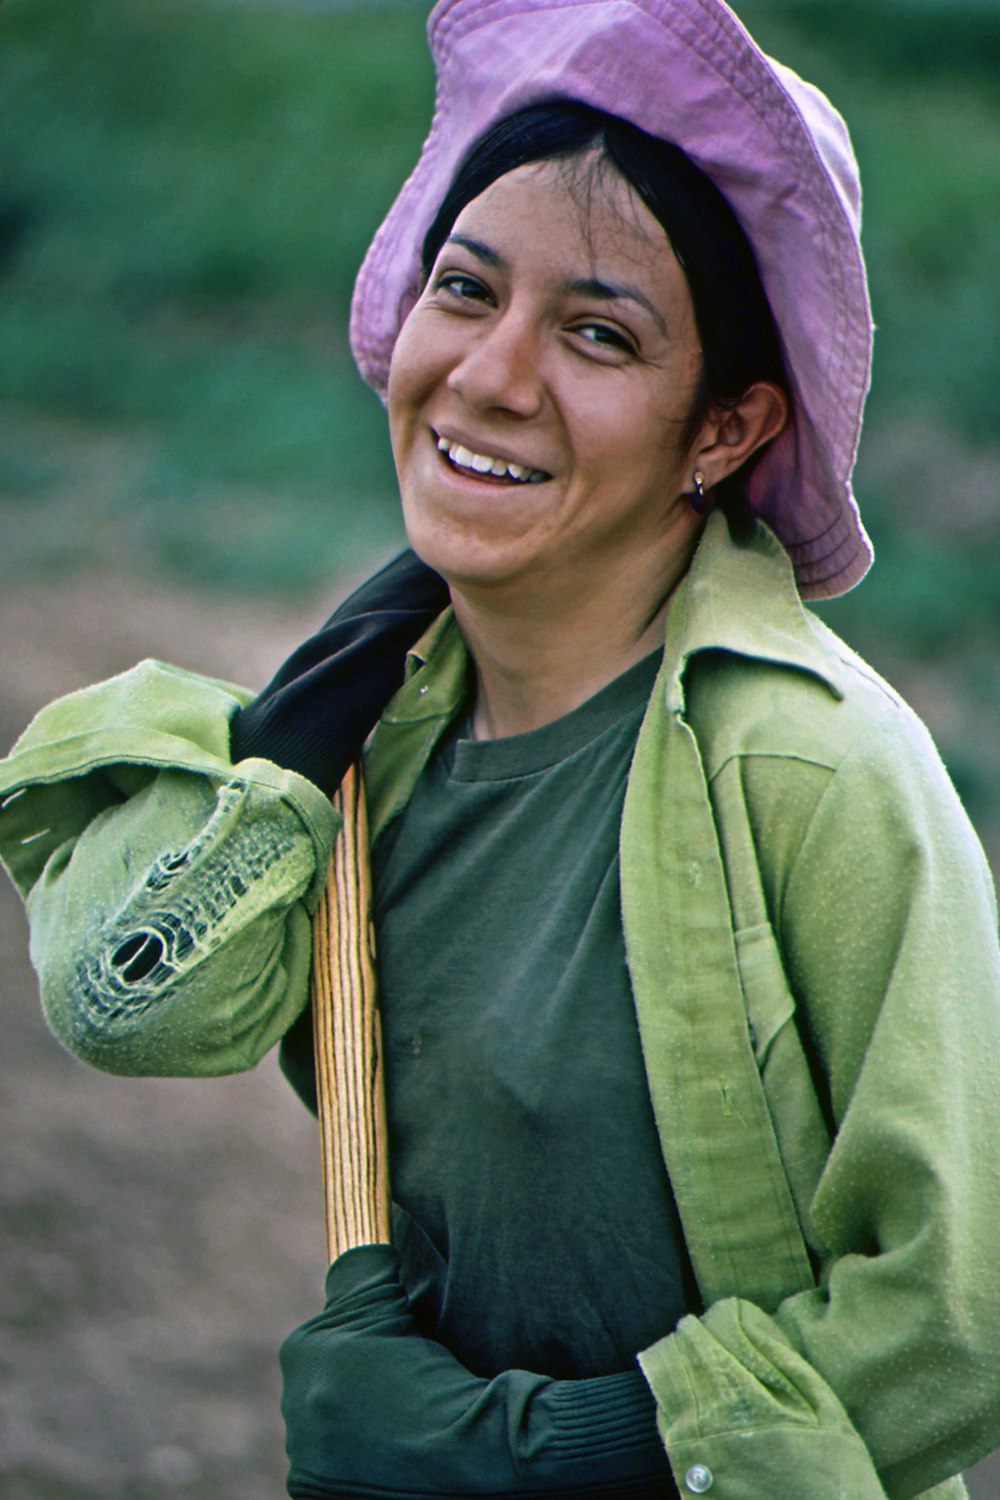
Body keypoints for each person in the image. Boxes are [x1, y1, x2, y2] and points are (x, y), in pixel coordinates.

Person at [2, 0, 999, 1496]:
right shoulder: (365, 745)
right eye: (463, 291)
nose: (491, 373)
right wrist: (285, 748)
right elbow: (136, 1009)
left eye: (598, 333)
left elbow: (960, 1316)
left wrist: (553, 1454)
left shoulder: (816, 767)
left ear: (723, 430)